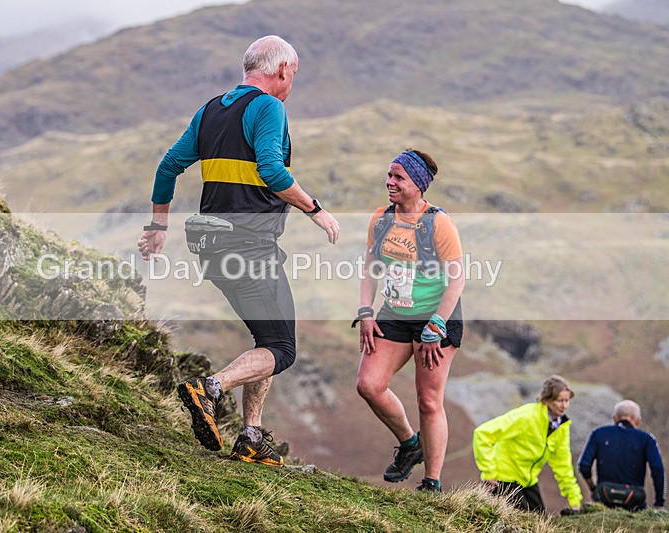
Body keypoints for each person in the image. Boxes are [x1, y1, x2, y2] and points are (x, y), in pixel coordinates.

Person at [138, 35, 339, 466]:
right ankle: (209, 389)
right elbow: (270, 168)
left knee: (264, 340)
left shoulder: (211, 109)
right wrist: (315, 210)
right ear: (282, 70)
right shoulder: (269, 107)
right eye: (294, 74)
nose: (292, 82)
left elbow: (168, 166)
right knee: (282, 349)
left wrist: (158, 227)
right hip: (249, 245)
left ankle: (250, 436)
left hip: (212, 245)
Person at [355, 149, 465, 492]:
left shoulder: (438, 223)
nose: (389, 182)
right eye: (389, 175)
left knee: (429, 400)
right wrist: (366, 312)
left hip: (436, 317)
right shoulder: (382, 218)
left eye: (398, 177)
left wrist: (436, 325)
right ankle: (409, 443)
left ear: (417, 184)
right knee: (369, 385)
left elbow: (457, 279)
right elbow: (371, 267)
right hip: (395, 313)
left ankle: (431, 481)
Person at [472, 375, 583, 513]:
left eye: (567, 400)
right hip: (503, 478)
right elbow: (482, 433)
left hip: (527, 481)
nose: (564, 405)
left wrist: (575, 501)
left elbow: (563, 466)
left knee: (540, 518)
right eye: (560, 400)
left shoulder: (561, 427)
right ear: (547, 400)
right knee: (524, 520)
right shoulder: (526, 416)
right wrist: (489, 473)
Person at [577, 399, 666, 511]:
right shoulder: (647, 439)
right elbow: (658, 470)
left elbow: (583, 465)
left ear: (614, 418)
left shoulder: (598, 433)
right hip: (634, 499)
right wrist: (659, 502)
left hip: (604, 496)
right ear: (638, 420)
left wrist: (593, 488)